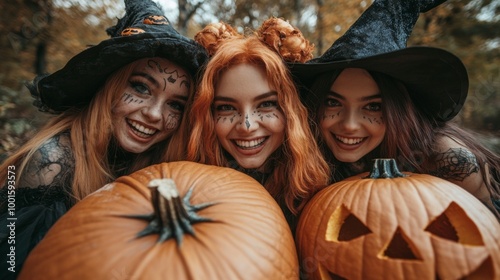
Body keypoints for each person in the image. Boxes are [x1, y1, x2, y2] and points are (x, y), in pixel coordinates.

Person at [0, 0, 208, 277]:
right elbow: (12, 265)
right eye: (141, 87)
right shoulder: (50, 162)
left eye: (176, 105)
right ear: (109, 87)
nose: (155, 115)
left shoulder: (151, 164)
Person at [289, 0, 500, 219]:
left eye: (372, 107)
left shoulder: (446, 159)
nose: (349, 125)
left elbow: (485, 239)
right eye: (333, 102)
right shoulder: (310, 156)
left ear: (397, 110)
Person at [187, 19, 330, 232]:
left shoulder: (321, 190)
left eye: (266, 104)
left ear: (290, 112)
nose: (247, 126)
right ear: (208, 115)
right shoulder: (186, 186)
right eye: (226, 107)